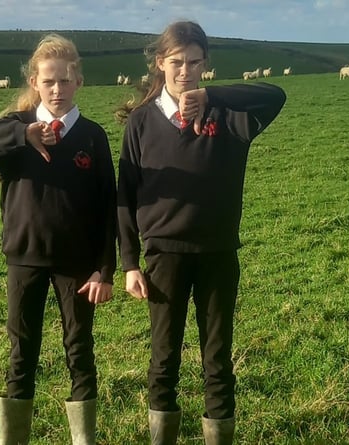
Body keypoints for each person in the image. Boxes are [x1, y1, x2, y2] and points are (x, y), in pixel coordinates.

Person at [116, 21, 286, 444]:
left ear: (204, 65)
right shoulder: (141, 123)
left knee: (218, 358)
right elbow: (125, 194)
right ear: (161, 64)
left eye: (194, 62)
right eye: (176, 62)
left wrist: (210, 96)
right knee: (164, 358)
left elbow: (275, 96)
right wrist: (130, 263)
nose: (185, 71)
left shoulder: (228, 116)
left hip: (217, 253)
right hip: (164, 257)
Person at [0, 34, 117, 445]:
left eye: (65, 81)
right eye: (48, 81)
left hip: (78, 265)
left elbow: (107, 209)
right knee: (21, 354)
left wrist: (105, 269)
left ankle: (83, 438)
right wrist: (23, 136)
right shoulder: (15, 129)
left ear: (79, 81)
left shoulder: (92, 137)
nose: (57, 89)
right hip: (24, 259)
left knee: (80, 352)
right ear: (35, 82)